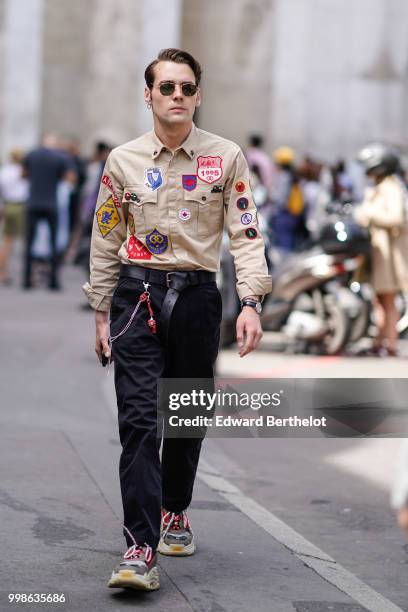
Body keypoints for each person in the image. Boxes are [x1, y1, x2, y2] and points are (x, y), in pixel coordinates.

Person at [83, 48, 271, 592]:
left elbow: (245, 231)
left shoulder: (225, 156)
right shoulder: (122, 161)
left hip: (196, 299)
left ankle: (175, 509)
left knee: (186, 419)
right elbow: (107, 237)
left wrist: (252, 303)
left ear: (198, 95)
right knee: (139, 422)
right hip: (136, 295)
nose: (177, 96)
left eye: (186, 87)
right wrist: (100, 311)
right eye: (166, 87)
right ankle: (139, 548)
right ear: (148, 95)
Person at [354, 143, 408, 356]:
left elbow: (396, 218)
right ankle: (380, 341)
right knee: (380, 299)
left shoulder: (391, 188)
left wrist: (370, 213)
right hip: (379, 252)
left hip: (390, 255)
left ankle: (390, 344)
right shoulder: (381, 187)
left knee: (387, 300)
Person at [22, 134, 76, 290]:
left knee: (29, 242)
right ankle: (53, 281)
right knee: (53, 243)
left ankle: (27, 279)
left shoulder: (32, 154)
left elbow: (23, 174)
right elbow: (70, 177)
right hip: (51, 204)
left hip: (33, 202)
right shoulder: (60, 158)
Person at [0, 149, 28, 284]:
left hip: (8, 205)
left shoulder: (4, 171)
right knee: (25, 241)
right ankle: (25, 273)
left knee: (7, 242)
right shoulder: (23, 171)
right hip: (22, 205)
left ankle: (3, 273)